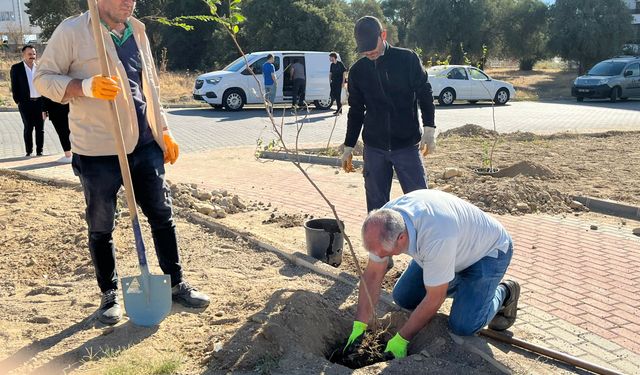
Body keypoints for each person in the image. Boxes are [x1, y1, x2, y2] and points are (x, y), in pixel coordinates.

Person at [34, 0, 210, 325]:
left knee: (161, 213)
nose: (129, 1)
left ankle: (175, 282)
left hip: (144, 144)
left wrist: (165, 132)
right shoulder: (73, 32)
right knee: (101, 224)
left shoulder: (138, 31)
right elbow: (43, 79)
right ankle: (109, 295)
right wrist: (84, 87)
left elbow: (151, 87)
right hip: (98, 150)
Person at [344, 189, 520, 359]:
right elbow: (373, 275)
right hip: (447, 251)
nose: (380, 257)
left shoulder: (437, 236)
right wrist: (360, 326)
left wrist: (402, 339)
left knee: (463, 326)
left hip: (487, 254)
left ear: (402, 238)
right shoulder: (383, 223)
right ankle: (457, 283)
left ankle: (505, 292)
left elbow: (435, 297)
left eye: (384, 253)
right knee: (404, 297)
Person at [341, 16, 436, 212]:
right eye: (364, 50)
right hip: (374, 148)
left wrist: (429, 129)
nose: (369, 53)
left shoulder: (407, 60)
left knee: (420, 201)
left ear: (383, 35)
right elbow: (356, 111)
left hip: (407, 145)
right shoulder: (358, 71)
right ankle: (379, 243)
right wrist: (349, 145)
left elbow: (425, 94)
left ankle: (422, 241)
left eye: (372, 48)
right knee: (376, 207)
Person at [10, 45, 46, 157]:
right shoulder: (16, 68)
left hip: (40, 103)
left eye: (34, 54)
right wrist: (18, 101)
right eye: (30, 54)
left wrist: (45, 106)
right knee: (28, 127)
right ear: (23, 55)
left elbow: (45, 87)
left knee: (40, 129)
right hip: (25, 103)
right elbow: (14, 86)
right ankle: (29, 152)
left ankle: (40, 151)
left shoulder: (40, 68)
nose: (32, 56)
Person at [43, 97, 72, 163]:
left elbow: (45, 93)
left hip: (55, 109)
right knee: (69, 131)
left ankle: (68, 155)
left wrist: (44, 109)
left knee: (62, 132)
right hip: (70, 107)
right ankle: (73, 154)